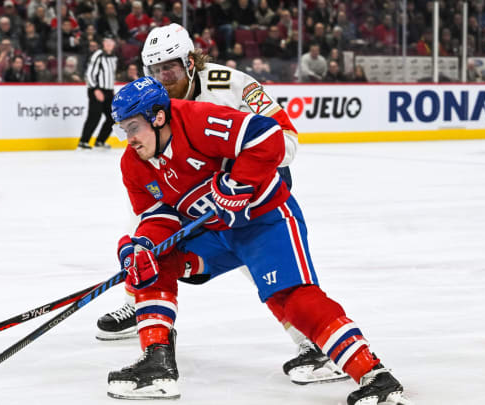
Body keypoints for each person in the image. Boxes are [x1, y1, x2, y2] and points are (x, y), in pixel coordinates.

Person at [106, 76, 412, 405]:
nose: (130, 138)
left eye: (134, 127)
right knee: (155, 265)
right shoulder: (133, 163)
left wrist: (238, 184)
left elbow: (268, 135)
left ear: (159, 117)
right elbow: (157, 216)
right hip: (215, 234)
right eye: (124, 129)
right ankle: (157, 363)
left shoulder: (198, 120)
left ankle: (375, 376)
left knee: (292, 300)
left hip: (265, 222)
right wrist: (141, 245)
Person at [95, 23, 349, 387]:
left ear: (191, 61)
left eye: (171, 67)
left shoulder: (232, 85)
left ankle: (313, 340)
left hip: (247, 188)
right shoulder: (155, 100)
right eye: (155, 69)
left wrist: (235, 180)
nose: (163, 77)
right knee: (146, 235)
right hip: (193, 188)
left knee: (260, 266)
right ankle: (140, 304)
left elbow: (286, 138)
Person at [78, 35, 117, 150]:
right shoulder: (98, 55)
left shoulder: (114, 58)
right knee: (95, 116)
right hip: (97, 89)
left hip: (108, 91)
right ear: (103, 44)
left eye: (111, 42)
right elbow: (89, 74)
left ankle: (100, 141)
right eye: (106, 42)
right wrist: (95, 89)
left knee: (113, 117)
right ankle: (83, 141)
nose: (109, 45)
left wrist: (111, 89)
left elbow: (110, 75)